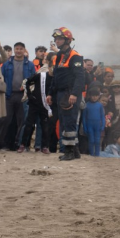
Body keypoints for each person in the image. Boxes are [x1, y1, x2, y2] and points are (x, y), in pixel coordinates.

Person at [46, 27, 85, 161]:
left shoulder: (75, 56)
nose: (57, 41)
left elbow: (80, 78)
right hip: (60, 93)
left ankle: (69, 151)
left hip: (70, 93)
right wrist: (50, 93)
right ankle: (75, 151)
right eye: (56, 39)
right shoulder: (58, 57)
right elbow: (56, 77)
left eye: (60, 38)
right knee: (64, 122)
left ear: (67, 40)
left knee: (69, 122)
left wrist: (74, 94)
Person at [0, 42, 36, 150]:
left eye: (20, 49)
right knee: (5, 120)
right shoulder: (7, 63)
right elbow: (1, 78)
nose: (18, 51)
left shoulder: (30, 64)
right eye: (17, 49)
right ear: (14, 50)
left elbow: (34, 79)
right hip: (9, 95)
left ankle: (19, 144)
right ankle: (1, 143)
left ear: (24, 50)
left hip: (23, 96)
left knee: (22, 120)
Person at [18, 56, 53, 154]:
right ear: (49, 67)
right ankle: (23, 144)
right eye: (52, 67)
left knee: (45, 126)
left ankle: (44, 146)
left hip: (46, 105)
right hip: (34, 103)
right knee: (29, 124)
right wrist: (30, 95)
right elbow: (27, 82)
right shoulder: (41, 75)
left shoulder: (56, 79)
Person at [82, 89, 105, 157]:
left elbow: (102, 116)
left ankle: (97, 154)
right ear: (90, 96)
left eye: (96, 96)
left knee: (97, 141)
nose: (94, 97)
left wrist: (103, 125)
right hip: (89, 125)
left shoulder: (100, 105)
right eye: (93, 96)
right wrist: (85, 126)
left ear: (98, 96)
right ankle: (91, 154)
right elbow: (84, 117)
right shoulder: (86, 105)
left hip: (97, 125)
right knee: (91, 140)